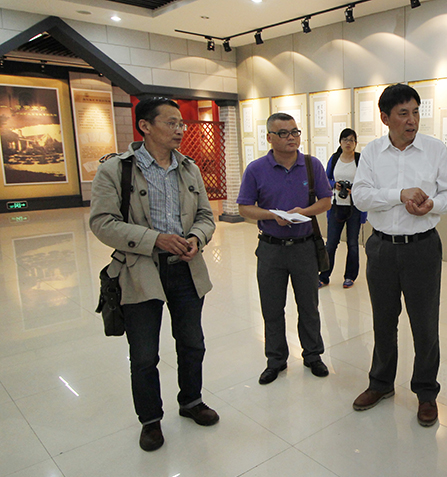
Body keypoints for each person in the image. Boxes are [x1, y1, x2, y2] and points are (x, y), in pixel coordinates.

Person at [89, 97, 218, 452]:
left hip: (186, 269)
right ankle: (150, 420)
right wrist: (155, 239)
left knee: (192, 342)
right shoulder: (115, 170)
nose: (180, 129)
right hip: (139, 270)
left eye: (181, 123)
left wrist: (196, 238)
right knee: (145, 354)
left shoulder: (188, 168)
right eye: (171, 122)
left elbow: (206, 216)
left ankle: (191, 401)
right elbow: (102, 222)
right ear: (145, 126)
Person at [351, 84, 447, 427]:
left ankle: (426, 392)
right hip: (381, 247)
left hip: (422, 247)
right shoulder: (372, 152)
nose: (412, 120)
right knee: (383, 320)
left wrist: (432, 204)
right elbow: (360, 196)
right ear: (385, 118)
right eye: (403, 113)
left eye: (415, 112)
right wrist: (399, 195)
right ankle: (381, 383)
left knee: (425, 324)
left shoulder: (434, 149)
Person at [237, 113, 332, 386]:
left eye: (295, 132)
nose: (291, 138)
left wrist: (304, 211)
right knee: (272, 308)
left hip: (304, 247)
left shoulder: (312, 165)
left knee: (309, 306)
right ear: (269, 137)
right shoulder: (256, 169)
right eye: (283, 133)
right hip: (271, 249)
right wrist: (272, 215)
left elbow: (326, 201)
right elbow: (244, 207)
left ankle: (313, 355)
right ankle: (276, 360)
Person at [319, 128, 367, 289]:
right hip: (336, 207)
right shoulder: (334, 159)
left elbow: (366, 181)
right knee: (331, 243)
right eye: (345, 140)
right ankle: (324, 276)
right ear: (340, 142)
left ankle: (350, 276)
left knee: (353, 244)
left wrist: (355, 189)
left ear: (356, 143)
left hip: (354, 208)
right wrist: (335, 185)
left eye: (351, 140)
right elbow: (326, 179)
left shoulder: (360, 159)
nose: (348, 143)